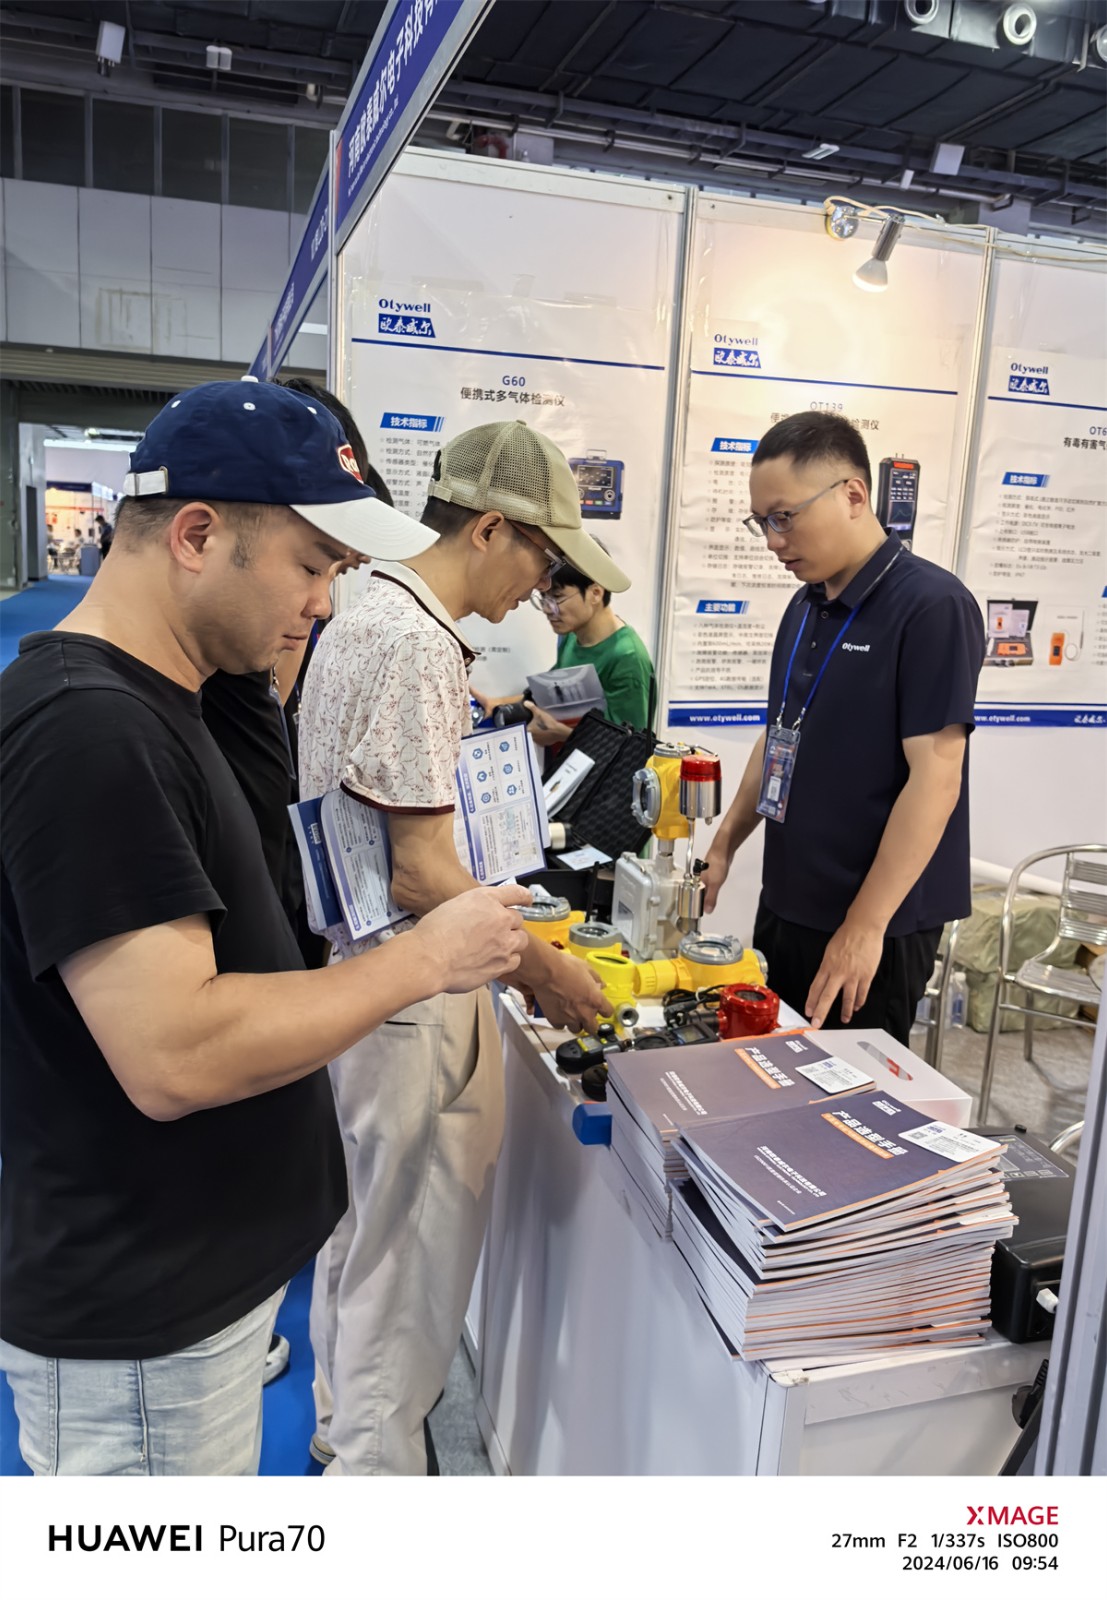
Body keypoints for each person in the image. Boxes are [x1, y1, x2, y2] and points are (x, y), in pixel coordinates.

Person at [0, 379, 532, 1477]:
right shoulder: (91, 732)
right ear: (196, 536)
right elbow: (176, 1052)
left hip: (192, 1292)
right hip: (144, 1318)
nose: (325, 604)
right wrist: (425, 959)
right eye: (311, 565)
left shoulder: (181, 697)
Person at [299, 418, 627, 1476]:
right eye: (541, 555)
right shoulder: (416, 642)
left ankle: (339, 1428)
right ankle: (374, 1476)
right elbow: (419, 875)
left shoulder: (366, 607)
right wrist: (544, 967)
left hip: (360, 981)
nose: (542, 586)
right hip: (412, 996)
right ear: (489, 529)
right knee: (409, 1266)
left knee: (364, 1236)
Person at [702, 410, 984, 1047]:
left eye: (784, 517)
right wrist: (725, 845)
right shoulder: (806, 605)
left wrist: (864, 925)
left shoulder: (932, 607)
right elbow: (780, 735)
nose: (773, 540)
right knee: (771, 1068)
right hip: (789, 900)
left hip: (872, 920)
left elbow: (936, 779)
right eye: (761, 522)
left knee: (849, 1091)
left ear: (853, 495)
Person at [475, 548, 656, 746]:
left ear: (595, 593)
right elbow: (553, 695)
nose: (547, 609)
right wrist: (497, 703)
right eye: (543, 598)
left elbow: (632, 747)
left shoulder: (627, 658)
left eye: (557, 597)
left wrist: (563, 735)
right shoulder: (570, 636)